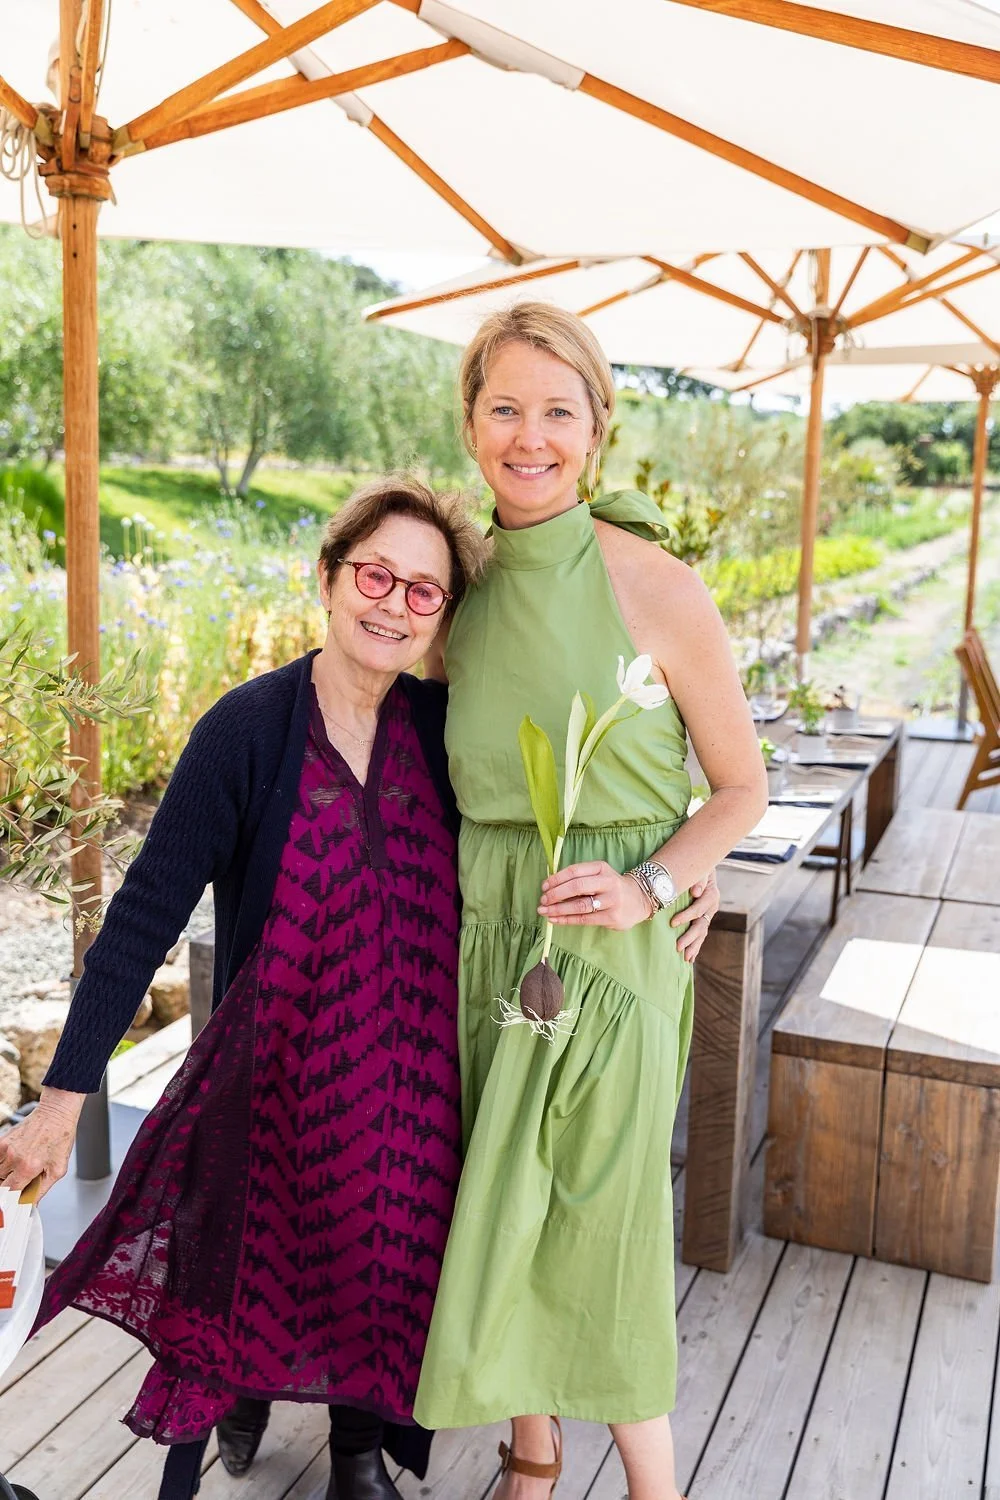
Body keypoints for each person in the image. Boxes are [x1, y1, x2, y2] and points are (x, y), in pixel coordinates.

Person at [0, 477, 486, 1500]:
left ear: (443, 614)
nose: (393, 604)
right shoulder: (248, 730)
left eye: (423, 591)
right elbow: (142, 917)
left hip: (410, 1082)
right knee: (246, 1276)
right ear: (328, 576)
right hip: (273, 1081)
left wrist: (676, 875)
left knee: (386, 1270)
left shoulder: (449, 735)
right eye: (375, 575)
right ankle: (248, 1391)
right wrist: (60, 1104)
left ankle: (357, 1450)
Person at [413, 303, 765, 1500]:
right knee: (498, 1191)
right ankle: (529, 1454)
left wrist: (659, 879)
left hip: (613, 941)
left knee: (602, 1208)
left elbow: (740, 784)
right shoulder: (454, 583)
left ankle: (651, 1486)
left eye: (557, 411)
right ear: (469, 424)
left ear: (596, 427)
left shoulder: (655, 583)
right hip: (485, 925)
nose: (530, 435)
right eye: (504, 407)